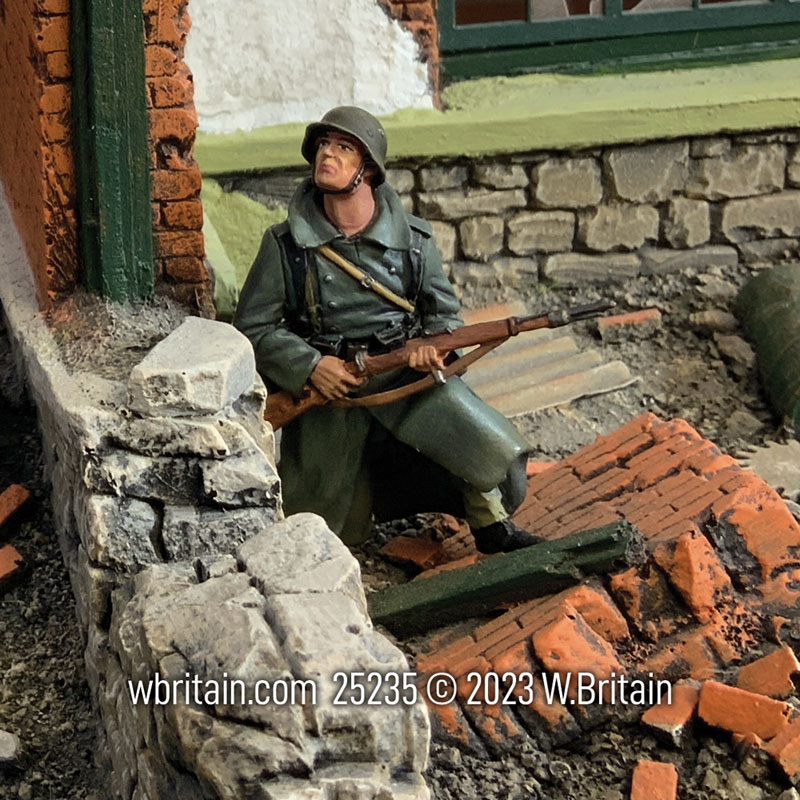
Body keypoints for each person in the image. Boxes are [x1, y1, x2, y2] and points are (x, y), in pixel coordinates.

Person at [233, 106, 542, 552]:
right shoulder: (285, 246)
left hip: (403, 377)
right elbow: (254, 327)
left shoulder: (414, 242)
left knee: (475, 439)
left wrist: (430, 349)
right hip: (332, 391)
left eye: (344, 148)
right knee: (317, 521)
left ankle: (491, 527)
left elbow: (444, 316)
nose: (328, 156)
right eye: (323, 145)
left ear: (369, 169)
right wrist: (311, 365)